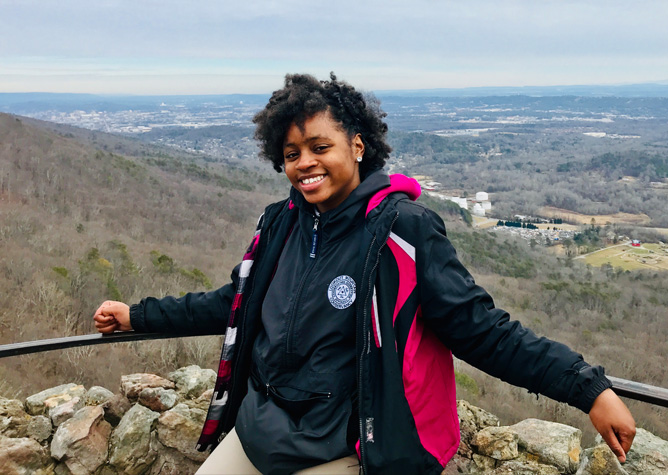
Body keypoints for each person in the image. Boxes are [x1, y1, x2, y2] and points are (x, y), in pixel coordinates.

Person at [94, 73, 635, 475]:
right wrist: (138, 315)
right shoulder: (280, 223)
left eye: (319, 147)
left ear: (357, 145)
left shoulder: (403, 231)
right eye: (291, 153)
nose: (304, 163)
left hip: (345, 448)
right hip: (260, 430)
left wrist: (587, 388)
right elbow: (235, 302)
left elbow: (480, 329)